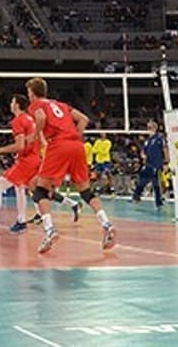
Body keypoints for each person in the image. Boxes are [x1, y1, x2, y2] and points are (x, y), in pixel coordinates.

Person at [24, 77, 116, 252]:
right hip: (77, 145)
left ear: (33, 94)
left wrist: (35, 135)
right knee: (86, 191)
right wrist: (76, 136)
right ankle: (107, 224)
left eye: (29, 93)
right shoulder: (61, 105)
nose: (29, 96)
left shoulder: (37, 105)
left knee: (40, 190)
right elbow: (84, 119)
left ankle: (50, 230)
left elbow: (41, 118)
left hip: (58, 145)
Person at [0, 95, 40, 235]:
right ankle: (21, 222)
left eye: (12, 101)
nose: (10, 104)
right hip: (34, 159)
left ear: (17, 105)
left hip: (26, 161)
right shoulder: (30, 119)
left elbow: (20, 145)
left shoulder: (18, 120)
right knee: (20, 188)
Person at [131, 120, 165, 208]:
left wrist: (166, 162)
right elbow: (143, 151)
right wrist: (143, 155)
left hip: (156, 165)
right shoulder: (148, 140)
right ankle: (136, 196)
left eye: (150, 127)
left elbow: (164, 149)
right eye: (147, 128)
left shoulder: (159, 138)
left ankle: (158, 202)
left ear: (154, 128)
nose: (148, 129)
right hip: (148, 164)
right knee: (142, 180)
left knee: (156, 184)